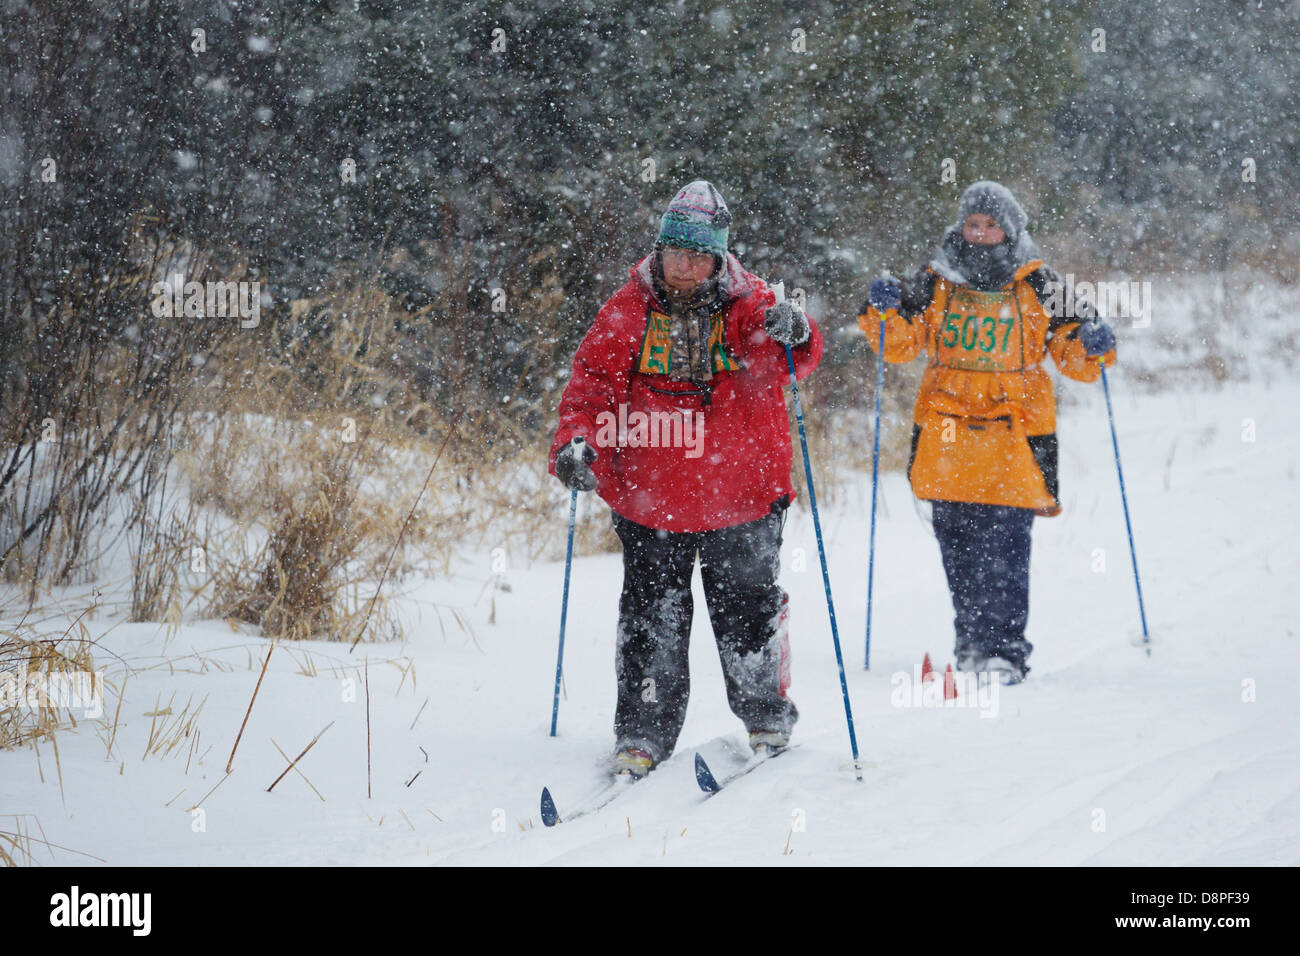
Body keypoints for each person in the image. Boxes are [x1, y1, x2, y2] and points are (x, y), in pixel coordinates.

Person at [549, 180, 823, 777]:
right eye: (676, 253)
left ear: (719, 258)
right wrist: (576, 443)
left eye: (699, 256)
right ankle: (642, 735)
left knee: (747, 612)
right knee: (651, 619)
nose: (685, 266)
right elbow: (591, 388)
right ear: (660, 250)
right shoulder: (627, 310)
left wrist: (796, 329)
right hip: (652, 498)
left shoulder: (750, 305)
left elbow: (793, 359)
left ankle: (766, 720)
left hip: (742, 495)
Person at [858, 180, 1117, 684]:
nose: (980, 234)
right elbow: (900, 345)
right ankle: (972, 643)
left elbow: (1073, 355)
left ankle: (1005, 651)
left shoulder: (1040, 283)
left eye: (990, 224)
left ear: (1011, 229)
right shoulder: (936, 278)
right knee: (956, 541)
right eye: (972, 224)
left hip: (1015, 435)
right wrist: (882, 313)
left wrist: (1091, 343)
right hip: (946, 433)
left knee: (1006, 546)